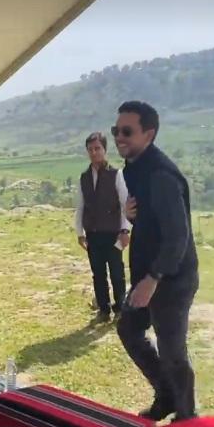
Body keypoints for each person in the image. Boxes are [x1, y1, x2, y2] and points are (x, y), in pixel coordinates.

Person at [113, 101, 199, 421]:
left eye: (127, 131)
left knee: (172, 351)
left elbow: (178, 236)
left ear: (148, 134)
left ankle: (187, 418)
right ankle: (167, 396)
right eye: (116, 130)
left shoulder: (161, 175)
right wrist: (132, 216)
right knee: (129, 329)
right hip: (148, 274)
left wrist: (153, 279)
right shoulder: (134, 168)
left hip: (172, 278)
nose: (119, 137)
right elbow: (153, 221)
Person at [75, 132, 131, 322]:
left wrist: (125, 231)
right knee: (98, 274)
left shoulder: (116, 174)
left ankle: (120, 309)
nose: (94, 152)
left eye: (97, 148)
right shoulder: (84, 178)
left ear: (105, 149)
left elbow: (125, 205)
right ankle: (103, 310)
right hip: (93, 233)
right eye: (90, 149)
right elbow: (80, 206)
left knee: (116, 272)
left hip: (113, 233)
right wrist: (80, 233)